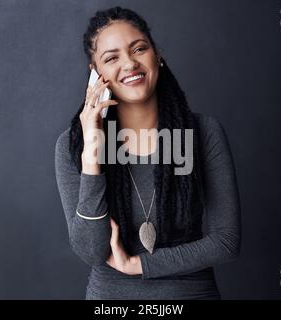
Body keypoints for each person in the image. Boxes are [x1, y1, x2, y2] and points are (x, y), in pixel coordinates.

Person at [55, 6, 241, 300]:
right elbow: (92, 251)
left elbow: (226, 242)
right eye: (111, 58)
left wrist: (137, 265)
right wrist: (92, 154)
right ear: (96, 75)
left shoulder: (203, 132)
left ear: (157, 56)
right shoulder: (73, 146)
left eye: (139, 48)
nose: (129, 63)